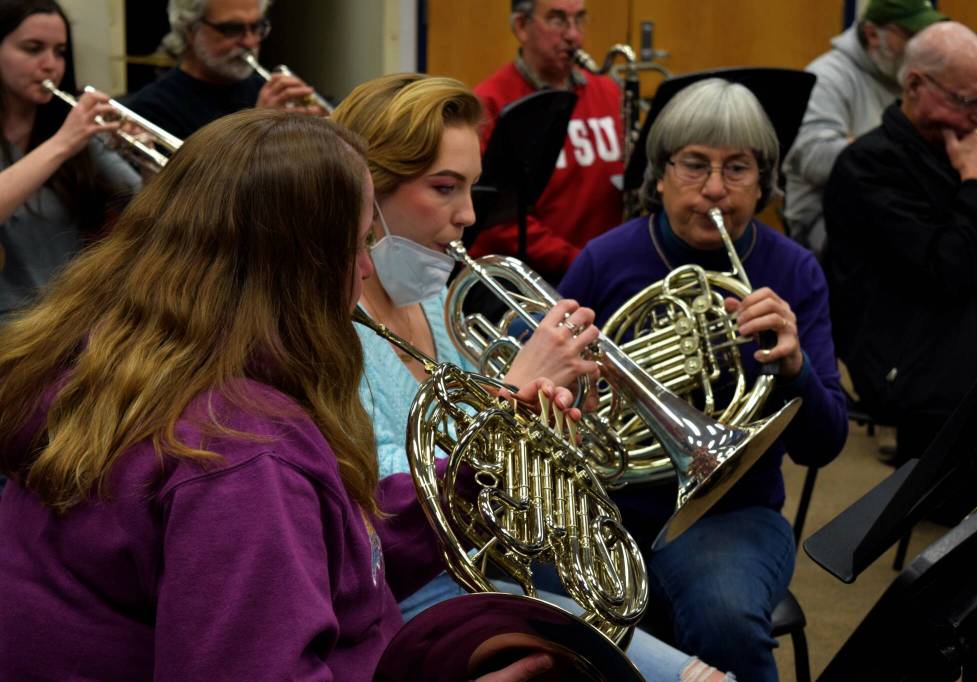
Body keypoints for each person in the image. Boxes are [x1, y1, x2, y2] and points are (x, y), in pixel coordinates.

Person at [0, 107, 586, 681]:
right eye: (355, 245)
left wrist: (474, 473)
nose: (363, 270)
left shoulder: (114, 359)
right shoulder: (241, 455)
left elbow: (322, 555)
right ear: (292, 266)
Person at [332, 73, 731, 682]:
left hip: (489, 578)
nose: (468, 214)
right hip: (404, 608)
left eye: (471, 187)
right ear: (368, 190)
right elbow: (391, 517)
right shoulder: (331, 335)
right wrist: (513, 396)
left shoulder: (432, 301)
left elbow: (504, 482)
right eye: (444, 188)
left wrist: (554, 421)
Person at [559, 78, 849, 682]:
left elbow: (824, 445)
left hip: (734, 511)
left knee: (723, 619)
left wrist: (795, 371)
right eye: (695, 165)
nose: (714, 189)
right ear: (659, 174)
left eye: (737, 169)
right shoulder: (603, 261)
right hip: (608, 508)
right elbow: (547, 402)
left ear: (763, 182)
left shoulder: (792, 270)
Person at [824, 22, 977, 469]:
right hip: (909, 356)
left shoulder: (955, 147)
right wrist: (976, 184)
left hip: (972, 318)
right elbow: (949, 271)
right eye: (966, 102)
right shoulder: (867, 167)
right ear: (914, 84)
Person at [0, 0, 140, 318]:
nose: (51, 65)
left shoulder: (72, 128)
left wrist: (139, 156)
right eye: (33, 49)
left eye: (60, 52)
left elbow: (145, 205)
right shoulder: (70, 135)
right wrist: (65, 142)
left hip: (66, 318)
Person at [471, 0, 624, 283]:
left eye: (579, 20)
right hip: (530, 282)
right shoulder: (490, 103)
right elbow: (493, 218)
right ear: (521, 26)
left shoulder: (608, 91)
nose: (573, 35)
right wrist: (581, 263)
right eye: (557, 20)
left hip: (603, 271)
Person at [783, 0, 946, 257]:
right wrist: (908, 154)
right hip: (825, 221)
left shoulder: (905, 75)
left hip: (895, 208)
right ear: (872, 34)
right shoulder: (827, 76)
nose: (921, 47)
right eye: (912, 36)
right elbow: (816, 158)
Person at [124, 0, 326, 141]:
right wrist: (257, 128)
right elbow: (193, 196)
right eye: (232, 29)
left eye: (257, 26)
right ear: (190, 30)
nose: (250, 41)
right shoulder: (151, 109)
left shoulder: (265, 89)